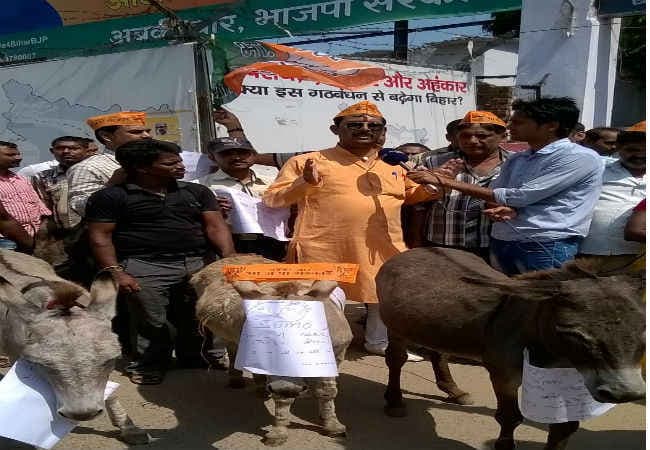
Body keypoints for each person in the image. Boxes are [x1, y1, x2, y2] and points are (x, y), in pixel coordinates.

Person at [263, 101, 433, 360]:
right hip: (324, 245)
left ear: (383, 132)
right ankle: (317, 347)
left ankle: (378, 342)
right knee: (321, 297)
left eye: (373, 126)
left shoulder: (395, 165)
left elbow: (410, 195)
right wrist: (304, 182)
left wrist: (433, 185)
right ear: (335, 129)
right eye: (354, 125)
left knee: (381, 294)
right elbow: (273, 199)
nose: (365, 129)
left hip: (381, 244)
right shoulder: (308, 161)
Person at [86, 139, 235, 385]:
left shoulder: (196, 192)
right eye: (170, 163)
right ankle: (149, 365)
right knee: (151, 319)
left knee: (200, 314)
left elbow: (216, 226)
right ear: (142, 168)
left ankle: (196, 358)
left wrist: (228, 259)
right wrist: (116, 272)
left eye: (179, 160)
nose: (180, 166)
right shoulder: (110, 197)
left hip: (198, 263)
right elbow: (100, 237)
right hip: (145, 265)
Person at [408, 97, 604, 275]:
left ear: (551, 126)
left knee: (540, 300)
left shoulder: (578, 157)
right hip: (500, 239)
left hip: (544, 243)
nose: (510, 126)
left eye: (518, 122)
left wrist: (445, 181)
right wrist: (505, 208)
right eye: (465, 135)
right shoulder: (520, 159)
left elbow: (520, 196)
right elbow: (497, 195)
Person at [415, 111, 512, 260]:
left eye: (482, 136)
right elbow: (417, 205)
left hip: (495, 246)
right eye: (465, 136)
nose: (472, 141)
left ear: (503, 136)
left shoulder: (516, 163)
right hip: (443, 244)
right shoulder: (434, 162)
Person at [194, 137, 286, 261]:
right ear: (212, 158)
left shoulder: (275, 182)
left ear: (254, 155)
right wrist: (212, 210)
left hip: (274, 242)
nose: (236, 157)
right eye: (226, 153)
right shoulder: (200, 186)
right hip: (228, 244)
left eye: (243, 152)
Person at [578, 121, 645, 269]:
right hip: (589, 252)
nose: (640, 155)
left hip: (637, 257)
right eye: (632, 149)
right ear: (619, 148)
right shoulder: (597, 169)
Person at [0, 141, 50, 250]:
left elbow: (40, 206)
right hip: (6, 241)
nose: (18, 158)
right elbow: (3, 218)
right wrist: (29, 244)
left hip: (35, 238)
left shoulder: (21, 179)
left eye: (18, 154)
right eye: (10, 155)